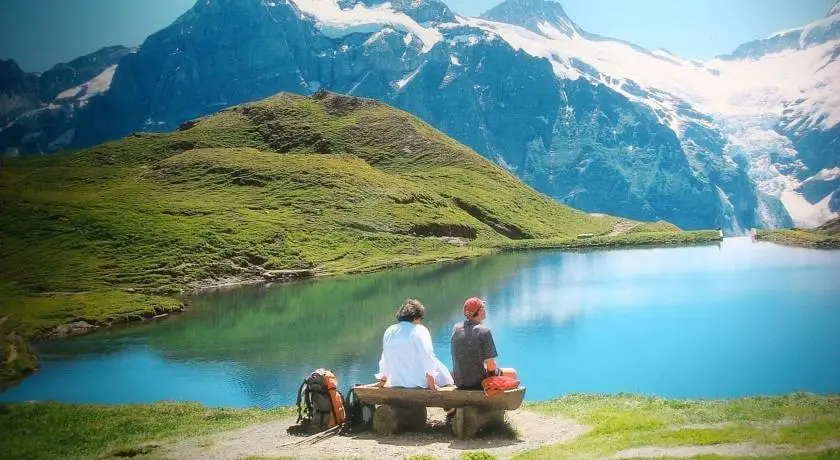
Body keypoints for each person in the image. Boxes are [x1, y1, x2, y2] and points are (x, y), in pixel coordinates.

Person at [375, 298, 454, 390]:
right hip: (419, 383)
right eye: (421, 318)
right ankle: (448, 384)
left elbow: (385, 357)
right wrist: (432, 384)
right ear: (416, 317)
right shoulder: (420, 330)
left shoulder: (389, 331)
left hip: (397, 381)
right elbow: (428, 356)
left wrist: (383, 379)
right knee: (437, 364)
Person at [450, 297, 517, 390]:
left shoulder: (456, 328)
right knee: (512, 373)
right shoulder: (484, 331)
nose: (485, 310)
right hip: (478, 383)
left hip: (460, 382)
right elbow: (491, 365)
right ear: (479, 311)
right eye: (483, 308)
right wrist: (492, 381)